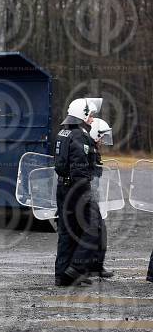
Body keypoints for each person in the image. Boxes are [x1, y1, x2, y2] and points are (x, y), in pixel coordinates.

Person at [54, 98, 101, 286]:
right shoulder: (80, 135)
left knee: (67, 230)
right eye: (90, 115)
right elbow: (79, 166)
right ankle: (75, 268)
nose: (92, 119)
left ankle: (63, 275)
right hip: (77, 188)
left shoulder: (63, 132)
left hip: (63, 188)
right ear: (82, 115)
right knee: (92, 228)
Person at [88, 117, 115, 279]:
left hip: (93, 198)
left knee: (100, 232)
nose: (103, 141)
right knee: (93, 232)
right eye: (101, 137)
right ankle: (90, 267)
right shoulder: (88, 150)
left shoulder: (94, 152)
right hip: (87, 199)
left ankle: (97, 266)